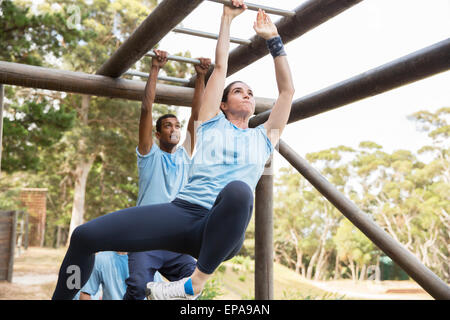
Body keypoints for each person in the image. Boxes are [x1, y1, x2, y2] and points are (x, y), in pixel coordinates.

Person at [52, 0, 294, 300]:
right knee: (84, 237)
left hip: (220, 231)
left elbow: (287, 92)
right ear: (221, 102)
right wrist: (226, 18)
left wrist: (273, 39)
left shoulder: (265, 137)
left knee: (239, 191)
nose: (246, 95)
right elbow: (220, 67)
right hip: (182, 213)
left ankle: (195, 282)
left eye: (251, 93)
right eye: (238, 91)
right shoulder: (210, 122)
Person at [123, 50, 211, 300]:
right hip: (145, 240)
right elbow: (145, 108)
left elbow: (197, 116)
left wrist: (200, 77)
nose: (174, 129)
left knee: (195, 284)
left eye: (176, 125)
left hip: (175, 242)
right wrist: (155, 69)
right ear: (158, 134)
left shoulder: (184, 156)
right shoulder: (149, 153)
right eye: (167, 125)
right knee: (138, 288)